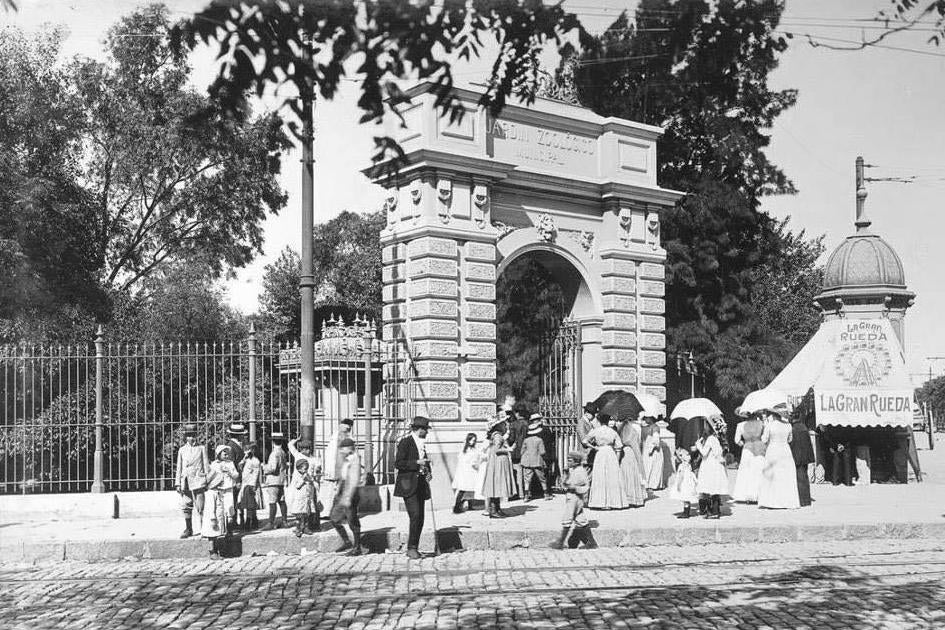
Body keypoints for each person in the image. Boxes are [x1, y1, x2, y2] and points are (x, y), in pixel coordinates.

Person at [394, 416, 432, 560]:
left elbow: (424, 463)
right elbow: (399, 463)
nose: (427, 432)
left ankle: (414, 547)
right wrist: (417, 462)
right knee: (415, 515)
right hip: (408, 485)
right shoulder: (405, 442)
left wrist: (427, 470)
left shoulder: (422, 443)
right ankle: (411, 548)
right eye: (425, 430)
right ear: (419, 429)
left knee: (420, 517)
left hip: (421, 485)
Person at [549, 451, 596, 550]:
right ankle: (592, 543)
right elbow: (564, 484)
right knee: (581, 519)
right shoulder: (573, 470)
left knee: (567, 518)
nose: (568, 462)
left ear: (576, 462)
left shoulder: (581, 471)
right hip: (571, 497)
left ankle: (560, 543)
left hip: (576, 498)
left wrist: (575, 488)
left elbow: (586, 486)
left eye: (570, 460)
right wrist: (565, 474)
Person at [758, 407, 800, 509]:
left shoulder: (769, 425)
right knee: (785, 475)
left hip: (773, 450)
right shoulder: (788, 425)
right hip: (785, 450)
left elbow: (764, 439)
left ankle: (772, 501)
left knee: (773, 474)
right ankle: (787, 500)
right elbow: (790, 439)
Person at [201, 445, 239, 558]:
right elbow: (211, 477)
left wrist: (230, 472)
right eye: (223, 452)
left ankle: (229, 531)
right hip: (217, 489)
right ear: (218, 454)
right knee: (216, 519)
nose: (226, 454)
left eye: (227, 452)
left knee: (229, 511)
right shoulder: (214, 465)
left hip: (227, 489)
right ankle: (213, 550)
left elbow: (236, 475)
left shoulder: (230, 463)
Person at [586, 413, 629, 510]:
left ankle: (599, 502)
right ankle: (613, 502)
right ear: (608, 420)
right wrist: (617, 461)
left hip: (600, 452)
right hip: (610, 453)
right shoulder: (612, 432)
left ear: (599, 421)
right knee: (612, 477)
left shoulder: (595, 431)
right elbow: (619, 447)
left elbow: (585, 441)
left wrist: (594, 447)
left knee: (600, 476)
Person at [330, 437, 365, 555]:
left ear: (349, 448)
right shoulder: (347, 459)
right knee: (334, 518)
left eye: (342, 449)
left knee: (352, 520)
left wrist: (348, 496)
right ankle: (347, 541)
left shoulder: (354, 460)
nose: (340, 451)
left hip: (350, 492)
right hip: (342, 490)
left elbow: (354, 479)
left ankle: (357, 547)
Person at [175, 423, 209, 539]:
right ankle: (188, 528)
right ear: (185, 437)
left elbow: (206, 465)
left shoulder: (201, 448)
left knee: (200, 506)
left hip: (198, 480)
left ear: (196, 436)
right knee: (186, 505)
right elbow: (179, 467)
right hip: (186, 481)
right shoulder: (182, 450)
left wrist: (206, 480)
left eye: (193, 435)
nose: (191, 438)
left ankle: (204, 529)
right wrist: (178, 483)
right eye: (189, 436)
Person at [695, 416, 729, 519]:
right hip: (716, 464)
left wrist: (698, 445)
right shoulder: (717, 439)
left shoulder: (710, 439)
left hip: (709, 465)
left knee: (709, 486)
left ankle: (713, 511)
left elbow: (704, 453)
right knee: (714, 487)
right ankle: (715, 510)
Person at [731, 412, 766, 503]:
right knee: (758, 471)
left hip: (747, 448)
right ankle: (758, 495)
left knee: (746, 471)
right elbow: (765, 437)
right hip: (759, 446)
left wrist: (744, 444)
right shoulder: (761, 424)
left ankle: (745, 495)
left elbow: (736, 440)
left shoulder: (741, 425)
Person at [288, 436, 322, 530]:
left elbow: (316, 473)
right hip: (298, 486)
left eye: (306, 449)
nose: (304, 451)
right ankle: (298, 526)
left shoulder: (314, 460)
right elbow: (290, 445)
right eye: (302, 448)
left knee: (307, 507)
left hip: (308, 486)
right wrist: (296, 440)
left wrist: (316, 475)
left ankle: (306, 526)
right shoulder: (298, 455)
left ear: (310, 449)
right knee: (298, 507)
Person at [322, 418, 354, 515]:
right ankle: (330, 512)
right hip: (336, 468)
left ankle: (330, 512)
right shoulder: (341, 436)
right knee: (334, 491)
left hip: (335, 468)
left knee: (333, 491)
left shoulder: (337, 436)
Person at [481, 428, 515, 517]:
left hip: (497, 463)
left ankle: (497, 509)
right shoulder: (498, 436)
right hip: (498, 464)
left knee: (497, 486)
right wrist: (509, 450)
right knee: (497, 486)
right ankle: (493, 510)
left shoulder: (497, 436)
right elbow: (496, 449)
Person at [617, 415, 647, 507]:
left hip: (624, 451)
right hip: (632, 452)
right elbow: (638, 442)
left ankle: (626, 496)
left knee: (625, 474)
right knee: (632, 474)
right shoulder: (635, 428)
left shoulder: (620, 428)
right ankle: (634, 497)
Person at [262, 431, 289, 530]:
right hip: (281, 480)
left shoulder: (274, 453)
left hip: (273, 480)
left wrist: (264, 468)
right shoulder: (283, 452)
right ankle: (285, 521)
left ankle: (270, 523)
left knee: (272, 502)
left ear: (273, 442)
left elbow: (273, 468)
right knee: (282, 501)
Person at [520, 414, 549, 501]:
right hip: (537, 461)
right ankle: (546, 494)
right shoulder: (539, 440)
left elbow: (522, 451)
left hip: (527, 461)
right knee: (542, 479)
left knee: (527, 479)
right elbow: (542, 452)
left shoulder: (526, 440)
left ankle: (526, 496)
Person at [789, 413, 815, 507]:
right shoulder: (803, 427)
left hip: (797, 456)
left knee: (799, 478)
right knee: (804, 477)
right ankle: (806, 499)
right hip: (805, 456)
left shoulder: (793, 429)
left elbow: (792, 443)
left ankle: (802, 500)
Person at [452, 433, 481, 514]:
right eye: (471, 440)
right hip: (465, 471)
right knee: (462, 488)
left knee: (471, 488)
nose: (472, 442)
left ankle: (470, 504)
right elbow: (466, 460)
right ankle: (456, 506)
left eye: (474, 440)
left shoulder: (474, 449)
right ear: (468, 440)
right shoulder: (465, 449)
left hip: (471, 471)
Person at [226, 423, 247, 529]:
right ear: (238, 435)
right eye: (242, 435)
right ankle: (232, 522)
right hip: (234, 478)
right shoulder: (231, 446)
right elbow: (231, 465)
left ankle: (234, 521)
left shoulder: (236, 445)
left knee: (235, 499)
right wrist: (237, 479)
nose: (243, 437)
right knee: (233, 499)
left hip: (238, 477)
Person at [237, 442, 263, 530]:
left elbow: (256, 474)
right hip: (245, 484)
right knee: (247, 504)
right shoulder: (247, 460)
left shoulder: (255, 461)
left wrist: (253, 485)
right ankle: (252, 520)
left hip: (250, 484)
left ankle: (249, 522)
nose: (246, 452)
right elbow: (240, 466)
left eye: (248, 450)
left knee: (250, 505)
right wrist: (244, 459)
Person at [668, 448, 699, 518]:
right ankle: (686, 511)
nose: (689, 456)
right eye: (687, 455)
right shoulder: (688, 465)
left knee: (685, 498)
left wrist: (678, 484)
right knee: (687, 498)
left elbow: (681, 476)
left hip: (684, 484)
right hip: (688, 483)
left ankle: (686, 513)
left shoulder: (682, 466)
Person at [289, 459, 315, 537]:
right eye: (304, 468)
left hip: (306, 498)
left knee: (306, 514)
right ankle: (298, 528)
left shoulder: (307, 474)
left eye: (307, 468)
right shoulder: (296, 476)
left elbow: (311, 480)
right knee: (299, 515)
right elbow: (297, 485)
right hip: (299, 498)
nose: (306, 470)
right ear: (299, 468)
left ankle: (305, 528)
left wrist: (310, 479)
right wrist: (303, 479)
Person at [508, 406, 529, 499]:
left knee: (517, 473)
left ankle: (519, 493)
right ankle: (527, 493)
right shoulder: (528, 424)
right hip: (527, 450)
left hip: (516, 452)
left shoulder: (513, 424)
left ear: (517, 414)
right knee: (526, 474)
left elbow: (512, 438)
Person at [641, 417, 665, 492]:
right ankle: (648, 484)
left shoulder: (655, 428)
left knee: (654, 467)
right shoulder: (646, 427)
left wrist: (651, 449)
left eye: (647, 418)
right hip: (647, 449)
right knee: (648, 467)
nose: (645, 420)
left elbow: (656, 440)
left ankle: (654, 484)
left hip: (654, 451)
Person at [577, 402, 598, 466]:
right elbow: (584, 441)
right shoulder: (581, 423)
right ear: (586, 413)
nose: (594, 416)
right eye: (593, 414)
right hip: (585, 454)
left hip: (590, 454)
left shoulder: (589, 423)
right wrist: (594, 447)